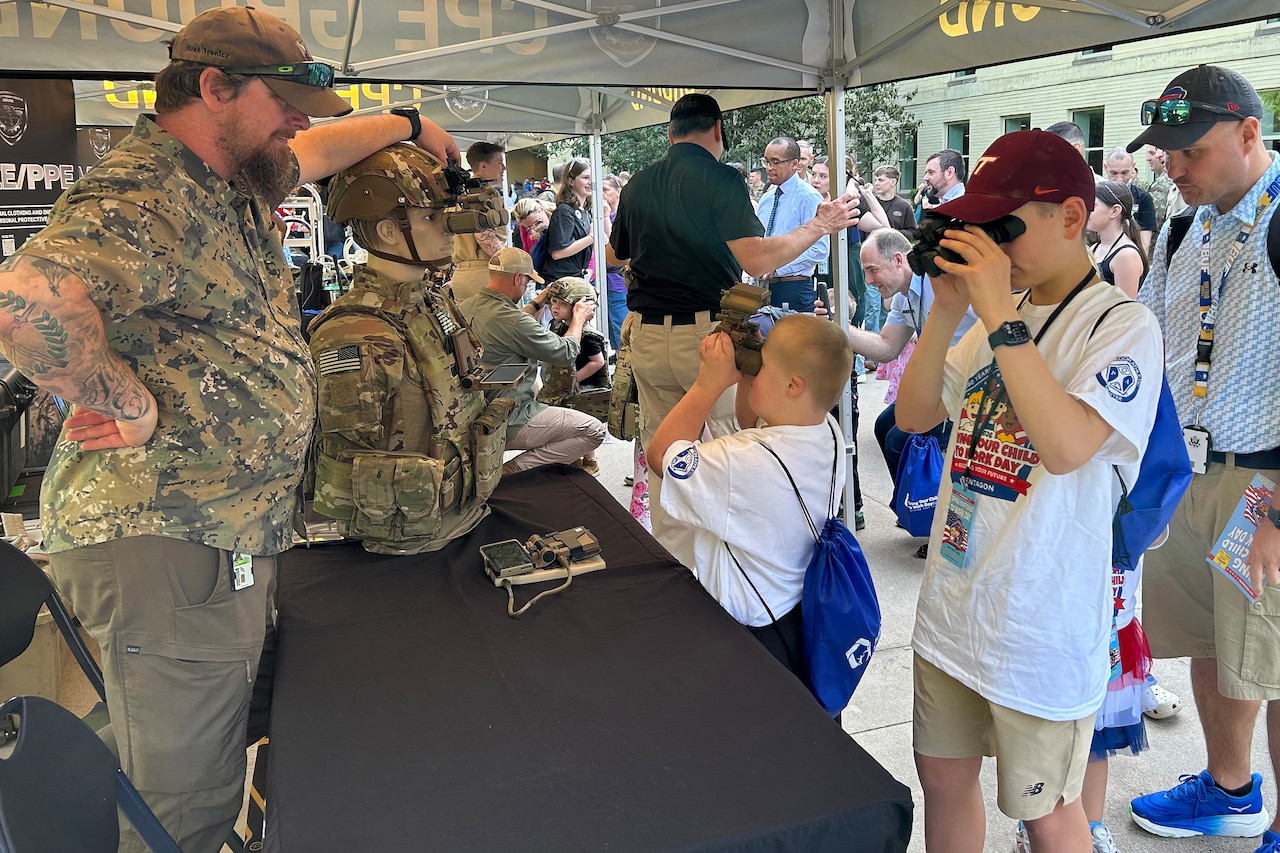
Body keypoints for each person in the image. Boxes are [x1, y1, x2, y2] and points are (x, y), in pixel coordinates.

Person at [0, 7, 460, 852]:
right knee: (184, 804)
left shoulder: (231, 171)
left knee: (171, 746)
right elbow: (24, 304)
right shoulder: (146, 191)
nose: (296, 120)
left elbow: (315, 151)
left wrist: (405, 122)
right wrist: (127, 404)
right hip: (170, 538)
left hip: (216, 534)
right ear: (212, 89)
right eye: (281, 100)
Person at [895, 129, 1163, 853]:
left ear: (1072, 218)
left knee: (1047, 813)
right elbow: (915, 415)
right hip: (953, 611)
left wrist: (995, 313)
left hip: (1037, 629)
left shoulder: (1119, 324)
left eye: (1003, 227)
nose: (992, 247)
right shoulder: (986, 320)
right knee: (943, 783)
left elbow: (1067, 444)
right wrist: (950, 306)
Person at [1124, 64, 1280, 853]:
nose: (1173, 168)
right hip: (1189, 472)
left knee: (1276, 663)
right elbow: (1147, 342)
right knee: (1213, 644)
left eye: (1190, 150)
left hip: (1265, 482)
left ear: (1249, 134)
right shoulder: (1185, 231)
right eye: (1166, 151)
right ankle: (1228, 790)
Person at [606, 93, 860, 554]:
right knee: (727, 452)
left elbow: (614, 253)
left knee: (666, 454)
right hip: (707, 339)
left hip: (646, 336)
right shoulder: (721, 178)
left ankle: (677, 570)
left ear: (670, 133)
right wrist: (819, 226)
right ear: (718, 130)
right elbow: (757, 260)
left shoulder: (638, 182)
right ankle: (726, 578)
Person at [308, 144, 511, 554]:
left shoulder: (431, 301)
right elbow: (348, 459)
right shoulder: (357, 332)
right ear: (387, 230)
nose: (449, 229)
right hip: (409, 542)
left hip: (463, 517)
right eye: (432, 217)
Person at [648, 314, 852, 692]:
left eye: (763, 363)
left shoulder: (739, 461)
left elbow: (661, 455)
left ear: (792, 385)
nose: (754, 366)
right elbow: (752, 420)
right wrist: (746, 373)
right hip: (796, 611)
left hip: (752, 632)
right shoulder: (825, 429)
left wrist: (706, 384)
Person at [461, 248, 606, 473]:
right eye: (527, 280)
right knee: (593, 430)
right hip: (509, 415)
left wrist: (538, 303)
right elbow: (564, 352)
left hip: (473, 409)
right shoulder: (512, 320)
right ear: (518, 278)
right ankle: (512, 471)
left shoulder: (466, 306)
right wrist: (578, 320)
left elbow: (512, 326)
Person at [853, 229, 977, 487]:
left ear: (899, 260)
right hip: (936, 384)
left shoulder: (943, 282)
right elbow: (887, 348)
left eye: (872, 270)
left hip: (964, 387)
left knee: (899, 440)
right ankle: (910, 505)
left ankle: (925, 509)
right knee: (884, 425)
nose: (867, 280)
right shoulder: (902, 296)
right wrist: (838, 327)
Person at [754, 136, 828, 312]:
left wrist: (778, 266)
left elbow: (819, 249)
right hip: (763, 288)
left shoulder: (809, 197)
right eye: (766, 161)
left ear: (794, 164)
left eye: (775, 162)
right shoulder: (766, 199)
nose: (769, 167)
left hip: (794, 288)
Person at [449, 140, 509, 302]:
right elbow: (483, 236)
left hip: (462, 273)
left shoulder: (456, 194)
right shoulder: (485, 195)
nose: (503, 168)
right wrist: (511, 263)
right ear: (483, 166)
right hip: (486, 271)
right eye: (499, 163)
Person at [540, 156, 599, 284]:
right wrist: (592, 237)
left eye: (592, 178)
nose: (591, 182)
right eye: (585, 177)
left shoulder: (586, 211)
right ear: (571, 181)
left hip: (577, 278)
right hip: (562, 281)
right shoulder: (564, 211)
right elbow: (558, 252)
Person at [1089, 180, 1149, 299]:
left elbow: (1125, 309)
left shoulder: (1126, 255)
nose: (1086, 210)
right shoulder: (1094, 248)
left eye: (1093, 205)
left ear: (1115, 211)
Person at [1104, 148, 1158, 253]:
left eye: (1124, 173)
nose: (1119, 178)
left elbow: (1144, 245)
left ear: (1133, 167)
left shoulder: (1143, 198)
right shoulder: (1098, 197)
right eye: (1114, 173)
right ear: (1105, 168)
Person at [600, 173, 629, 352]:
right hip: (604, 283)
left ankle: (626, 374)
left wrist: (604, 218)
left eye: (606, 190)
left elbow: (617, 250)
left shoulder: (620, 217)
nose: (602, 194)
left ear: (618, 192)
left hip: (618, 283)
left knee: (621, 335)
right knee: (611, 335)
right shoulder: (596, 216)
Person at [913, 148, 967, 213]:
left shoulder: (963, 206)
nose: (925, 178)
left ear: (950, 173)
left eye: (931, 172)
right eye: (926, 173)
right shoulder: (950, 202)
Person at [872, 165, 918, 238]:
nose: (876, 183)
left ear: (893, 182)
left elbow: (913, 232)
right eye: (875, 180)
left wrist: (893, 234)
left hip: (895, 248)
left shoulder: (904, 206)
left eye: (880, 180)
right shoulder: (870, 203)